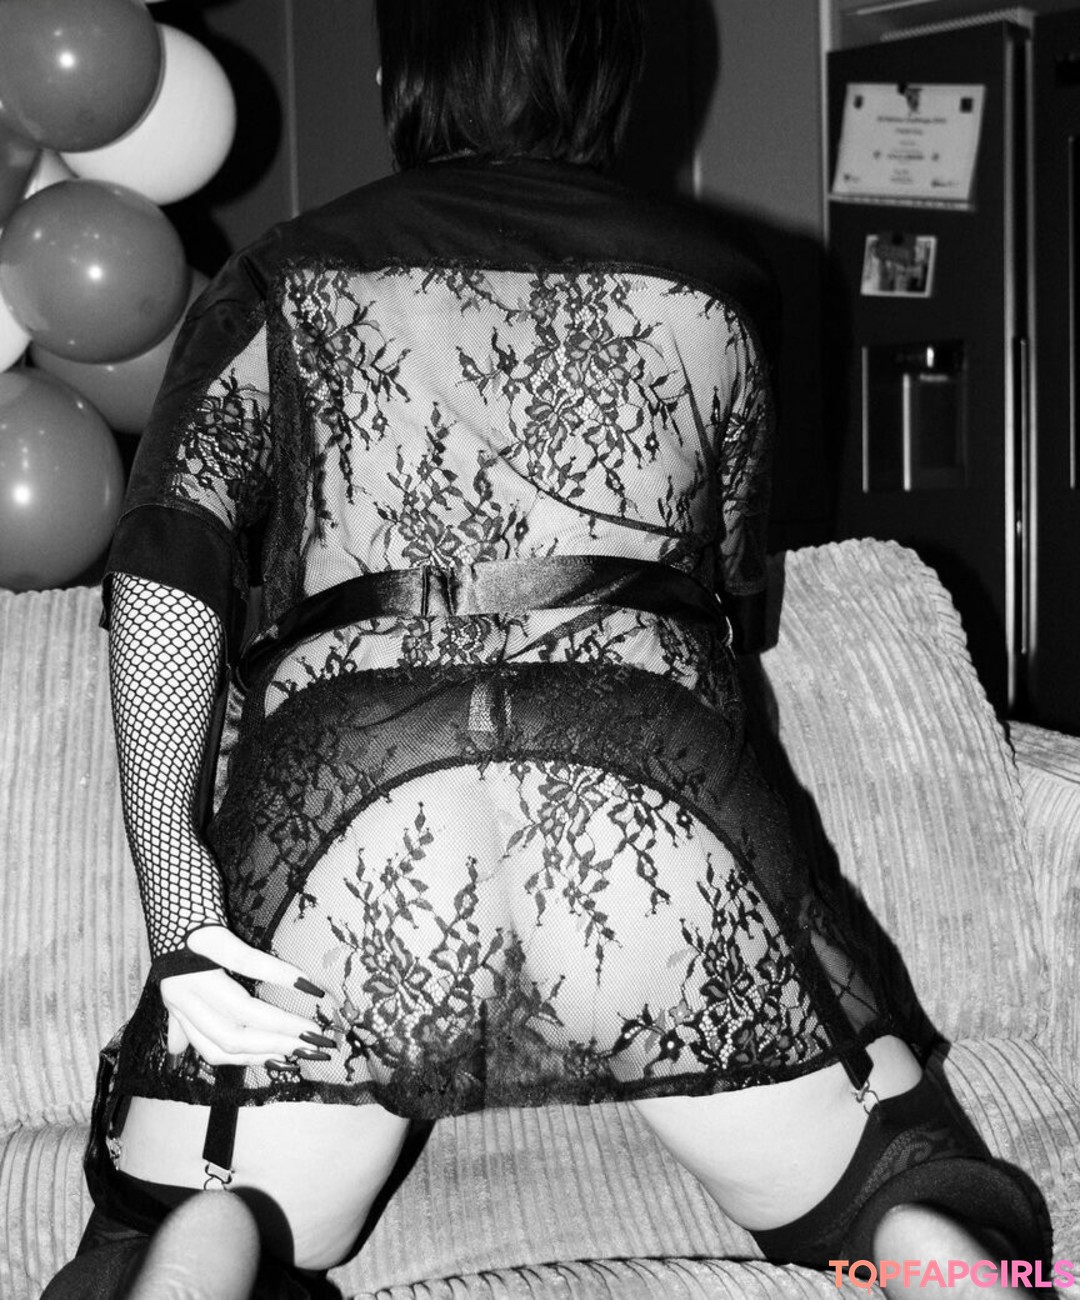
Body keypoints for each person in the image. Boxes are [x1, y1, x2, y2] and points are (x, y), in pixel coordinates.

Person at [45, 2, 1049, 1295]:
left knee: (191, 1212)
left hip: (354, 814)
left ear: (395, 71)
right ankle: (917, 1247)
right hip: (644, 800)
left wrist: (180, 895)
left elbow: (166, 560)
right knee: (892, 1185)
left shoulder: (285, 271)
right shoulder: (723, 282)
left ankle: (208, 1236)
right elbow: (732, 593)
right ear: (614, 73)